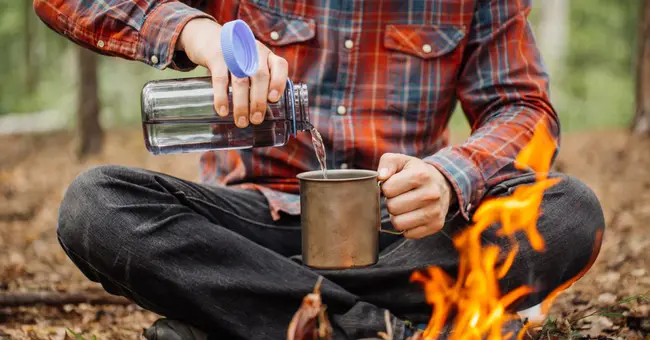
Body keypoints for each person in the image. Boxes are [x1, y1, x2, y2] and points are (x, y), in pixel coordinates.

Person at [33, 1, 605, 339]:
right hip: (250, 222)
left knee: (571, 212)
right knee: (96, 205)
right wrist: (196, 33)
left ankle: (238, 310)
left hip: (402, 235)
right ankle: (375, 325)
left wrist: (450, 175)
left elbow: (524, 108)